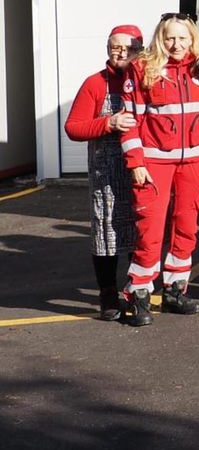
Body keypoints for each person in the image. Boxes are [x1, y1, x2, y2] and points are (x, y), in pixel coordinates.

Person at [118, 14, 199, 326]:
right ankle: (139, 293)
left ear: (192, 39)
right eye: (170, 38)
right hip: (154, 162)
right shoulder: (143, 69)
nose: (177, 45)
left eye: (183, 38)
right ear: (160, 38)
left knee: (187, 227)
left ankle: (175, 290)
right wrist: (136, 164)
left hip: (195, 162)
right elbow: (130, 122)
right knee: (150, 230)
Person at [64, 24, 144, 321]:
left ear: (141, 50)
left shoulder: (147, 79)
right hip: (107, 174)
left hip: (142, 170)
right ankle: (108, 293)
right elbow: (73, 127)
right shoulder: (95, 83)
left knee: (142, 232)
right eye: (115, 47)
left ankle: (138, 290)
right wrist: (108, 124)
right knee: (106, 234)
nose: (121, 52)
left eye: (129, 48)